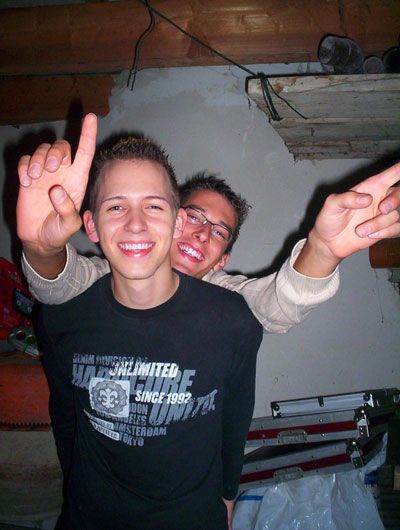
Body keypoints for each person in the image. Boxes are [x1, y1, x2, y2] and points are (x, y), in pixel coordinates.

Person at [17, 114, 263, 530]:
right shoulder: (63, 316)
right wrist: (39, 249)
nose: (135, 224)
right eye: (116, 206)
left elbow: (234, 421)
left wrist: (227, 495)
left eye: (153, 206)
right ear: (91, 225)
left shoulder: (232, 321)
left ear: (176, 221)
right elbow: (66, 416)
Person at [19, 116, 400, 333]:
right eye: (194, 217)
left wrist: (323, 250)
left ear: (221, 261)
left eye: (219, 232)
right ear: (170, 219)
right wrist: (41, 249)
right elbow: (59, 284)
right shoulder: (109, 276)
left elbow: (277, 306)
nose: (202, 234)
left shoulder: (223, 299)